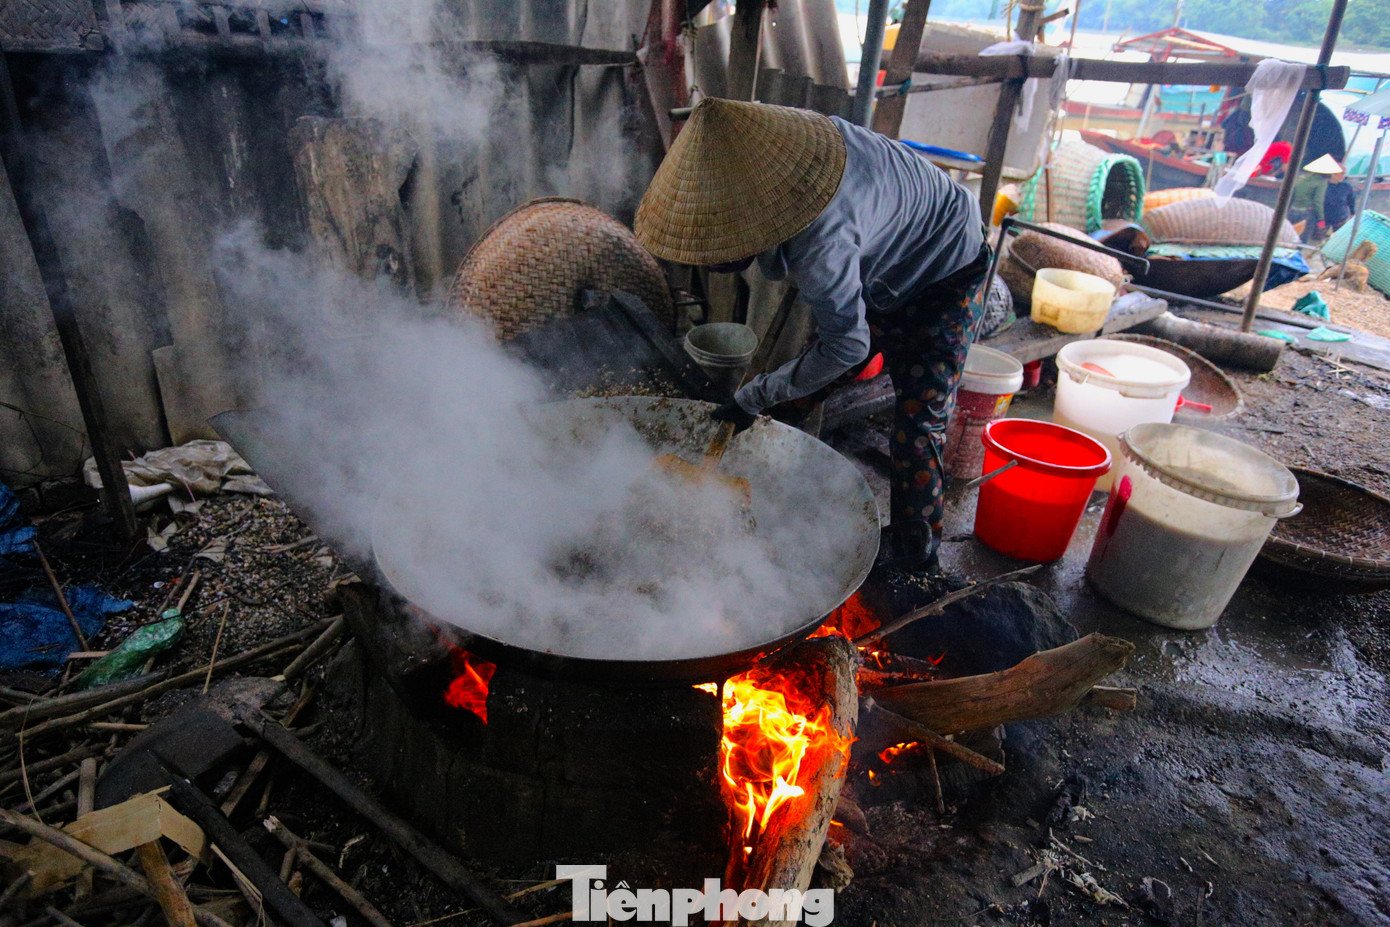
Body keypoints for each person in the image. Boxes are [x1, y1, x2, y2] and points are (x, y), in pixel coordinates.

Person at [634, 99, 990, 571]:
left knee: (917, 422)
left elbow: (849, 345)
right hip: (890, 248)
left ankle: (918, 563)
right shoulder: (779, 155)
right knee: (802, 386)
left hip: (947, 263)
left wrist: (753, 395)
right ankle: (762, 481)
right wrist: (761, 398)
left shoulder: (820, 246)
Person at [1290, 153, 1342, 241]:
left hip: (1292, 211)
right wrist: (1321, 218)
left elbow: (1292, 196)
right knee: (1301, 241)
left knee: (1288, 238)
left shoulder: (1302, 178)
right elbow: (1318, 202)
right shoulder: (1322, 182)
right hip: (1306, 215)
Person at [1323, 166, 1357, 233]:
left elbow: (1351, 200)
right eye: (1341, 173)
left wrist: (1352, 213)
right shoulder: (1323, 185)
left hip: (1340, 217)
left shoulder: (1346, 186)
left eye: (1344, 174)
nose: (1342, 176)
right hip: (1325, 217)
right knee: (1319, 238)